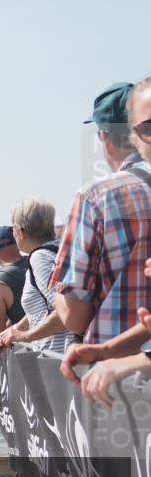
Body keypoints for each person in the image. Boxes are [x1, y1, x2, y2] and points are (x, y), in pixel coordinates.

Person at [52, 81, 151, 346]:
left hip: (118, 363)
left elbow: (75, 318)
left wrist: (58, 291)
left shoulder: (96, 197)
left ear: (105, 138)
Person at [0, 199, 72, 355]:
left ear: (22, 232)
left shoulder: (40, 258)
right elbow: (43, 309)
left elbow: (66, 311)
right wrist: (14, 329)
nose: (12, 233)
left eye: (12, 228)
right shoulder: (60, 249)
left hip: (59, 356)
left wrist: (25, 336)